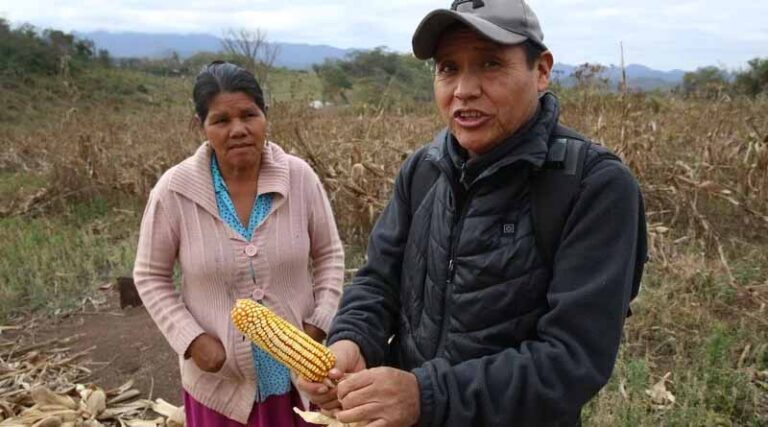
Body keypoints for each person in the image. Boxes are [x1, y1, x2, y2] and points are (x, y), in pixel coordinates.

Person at [298, 1, 647, 426]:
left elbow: (573, 358)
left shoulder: (592, 185)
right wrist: (352, 340)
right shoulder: (424, 169)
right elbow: (377, 281)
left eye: (490, 64)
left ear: (541, 71)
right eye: (448, 68)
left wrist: (424, 396)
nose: (463, 89)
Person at [133, 61, 344, 426]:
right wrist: (192, 339)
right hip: (222, 387)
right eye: (221, 120)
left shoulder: (300, 177)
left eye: (250, 114)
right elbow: (150, 275)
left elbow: (330, 256)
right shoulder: (175, 190)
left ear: (265, 116)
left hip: (299, 382)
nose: (239, 130)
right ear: (201, 127)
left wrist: (318, 323)